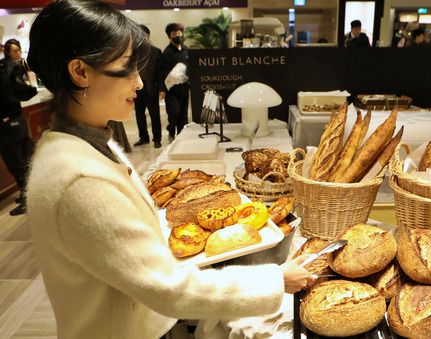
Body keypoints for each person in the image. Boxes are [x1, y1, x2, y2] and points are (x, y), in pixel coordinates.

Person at [26, 1, 313, 339]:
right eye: (126, 68)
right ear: (80, 72)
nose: (138, 84)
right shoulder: (77, 178)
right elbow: (166, 289)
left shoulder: (87, 143)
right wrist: (275, 281)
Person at [0, 38, 37, 216]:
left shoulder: (9, 68)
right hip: (16, 119)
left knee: (16, 160)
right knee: (23, 156)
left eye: (19, 50)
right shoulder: (11, 68)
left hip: (10, 122)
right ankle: (28, 194)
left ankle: (27, 197)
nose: (19, 53)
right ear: (8, 52)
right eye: (16, 51)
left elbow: (25, 92)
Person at [133, 24, 164, 149]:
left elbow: (160, 73)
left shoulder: (156, 51)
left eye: (143, 34)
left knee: (154, 115)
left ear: (147, 35)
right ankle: (143, 137)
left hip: (152, 88)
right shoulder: (132, 52)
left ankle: (157, 139)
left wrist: (162, 89)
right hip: (137, 88)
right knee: (139, 114)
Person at [162, 22, 189, 142]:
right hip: (172, 89)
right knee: (174, 112)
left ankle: (182, 135)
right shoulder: (167, 52)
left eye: (179, 33)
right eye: (174, 34)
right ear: (169, 36)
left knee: (183, 113)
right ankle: (171, 131)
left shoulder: (186, 50)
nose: (177, 35)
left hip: (184, 87)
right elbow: (163, 72)